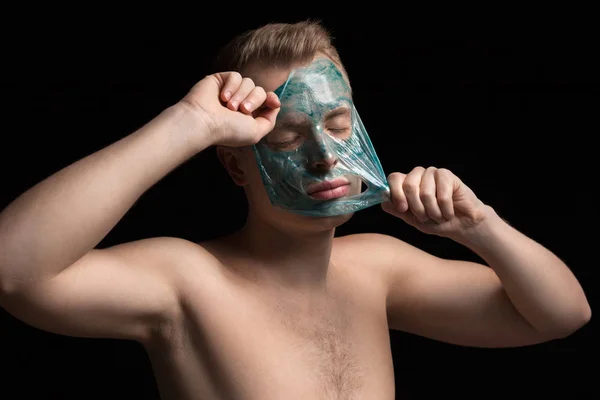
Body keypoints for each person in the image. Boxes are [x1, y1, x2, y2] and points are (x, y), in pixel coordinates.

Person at [0, 20, 590, 400]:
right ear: (235, 166)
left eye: (338, 126)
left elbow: (560, 315)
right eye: (285, 139)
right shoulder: (187, 282)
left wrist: (480, 226)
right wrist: (193, 124)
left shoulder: (380, 270)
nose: (323, 158)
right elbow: (12, 269)